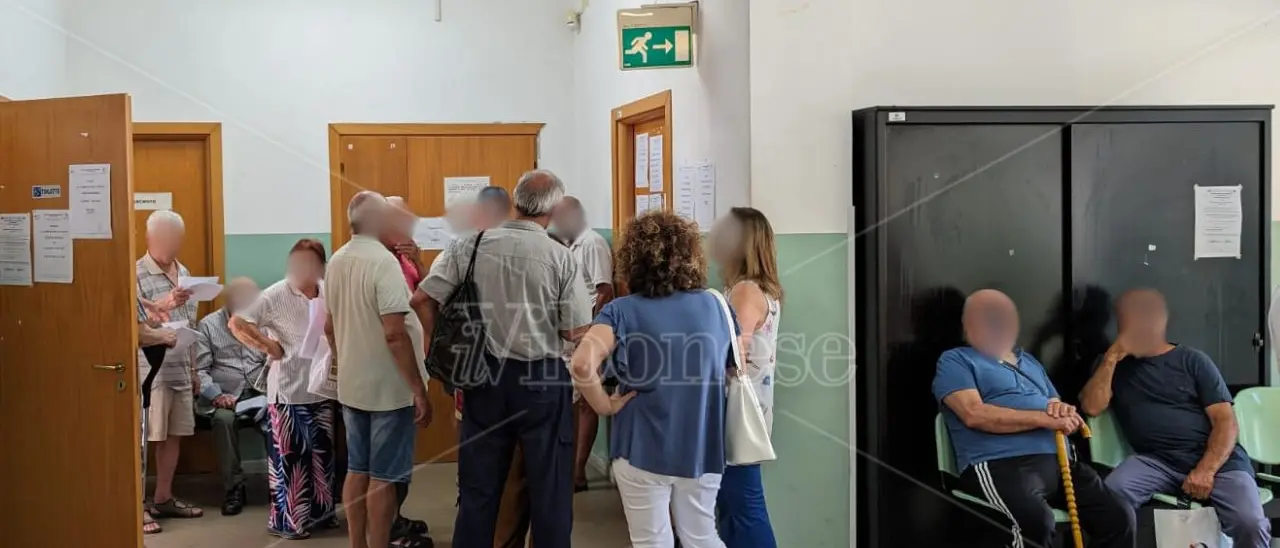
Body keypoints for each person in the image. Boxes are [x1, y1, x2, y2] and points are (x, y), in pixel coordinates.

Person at [416, 170, 591, 548]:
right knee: (551, 488)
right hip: (542, 379)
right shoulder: (560, 256)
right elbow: (574, 330)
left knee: (479, 487)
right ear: (556, 208)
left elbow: (423, 299)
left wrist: (439, 351)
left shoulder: (471, 246)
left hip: (483, 376)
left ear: (516, 202)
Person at [570, 210, 730, 548]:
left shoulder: (621, 311)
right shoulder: (718, 307)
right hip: (702, 443)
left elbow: (583, 365)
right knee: (702, 536)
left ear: (632, 258)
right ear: (690, 256)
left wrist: (605, 406)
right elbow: (731, 367)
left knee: (651, 541)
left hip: (640, 446)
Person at [933, 289, 1133, 548]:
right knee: (1034, 522)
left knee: (1119, 517)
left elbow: (1056, 406)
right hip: (999, 463)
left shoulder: (1029, 362)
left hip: (1061, 462)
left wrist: (1066, 415)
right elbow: (973, 414)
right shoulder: (956, 360)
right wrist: (1043, 419)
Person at [1080, 288, 1271, 548]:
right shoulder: (1112, 365)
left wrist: (1206, 470)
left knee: (1249, 522)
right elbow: (1091, 406)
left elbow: (1226, 422)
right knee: (1110, 498)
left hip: (1218, 461)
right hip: (1157, 461)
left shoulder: (1192, 360)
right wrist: (1111, 358)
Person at [326, 192, 432, 548]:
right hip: (388, 388)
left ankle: (358, 544)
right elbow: (394, 334)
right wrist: (418, 388)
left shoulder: (337, 259)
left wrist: (344, 361)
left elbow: (329, 326)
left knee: (358, 469)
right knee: (384, 477)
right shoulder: (382, 263)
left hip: (353, 385)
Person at [229, 239, 340, 540]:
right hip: (288, 390)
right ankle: (288, 520)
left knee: (321, 456)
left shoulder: (326, 290)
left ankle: (321, 513)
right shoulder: (277, 292)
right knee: (290, 458)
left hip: (322, 387)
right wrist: (268, 346)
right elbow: (237, 322)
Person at [708, 207, 780, 548]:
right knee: (735, 508)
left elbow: (732, 350)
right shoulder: (760, 289)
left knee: (743, 508)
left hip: (736, 412)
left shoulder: (746, 291)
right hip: (751, 410)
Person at [135, 210, 204, 528]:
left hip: (179, 366)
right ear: (149, 238)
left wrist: (194, 370)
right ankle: (138, 507)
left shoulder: (185, 272)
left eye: (174, 240)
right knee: (145, 437)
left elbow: (190, 325)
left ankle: (163, 498)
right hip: (151, 369)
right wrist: (164, 305)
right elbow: (136, 326)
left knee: (174, 435)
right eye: (163, 239)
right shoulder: (134, 274)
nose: (170, 246)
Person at [551, 196, 615, 493]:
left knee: (588, 403)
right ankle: (567, 466)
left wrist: (588, 330)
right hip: (569, 334)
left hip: (588, 334)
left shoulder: (591, 244)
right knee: (572, 402)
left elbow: (605, 290)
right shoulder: (566, 244)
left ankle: (577, 472)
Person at [382, 196, 434, 547]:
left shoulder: (405, 256)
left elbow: (428, 293)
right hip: (392, 366)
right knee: (390, 456)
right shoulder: (377, 261)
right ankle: (388, 528)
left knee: (402, 452)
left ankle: (395, 518)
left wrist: (418, 260)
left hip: (416, 357)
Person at [195, 277, 267, 516]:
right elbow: (199, 370)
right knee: (224, 421)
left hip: (259, 390)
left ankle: (283, 485)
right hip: (225, 395)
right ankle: (234, 487)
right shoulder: (208, 325)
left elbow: (274, 360)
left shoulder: (263, 321)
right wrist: (216, 395)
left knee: (280, 417)